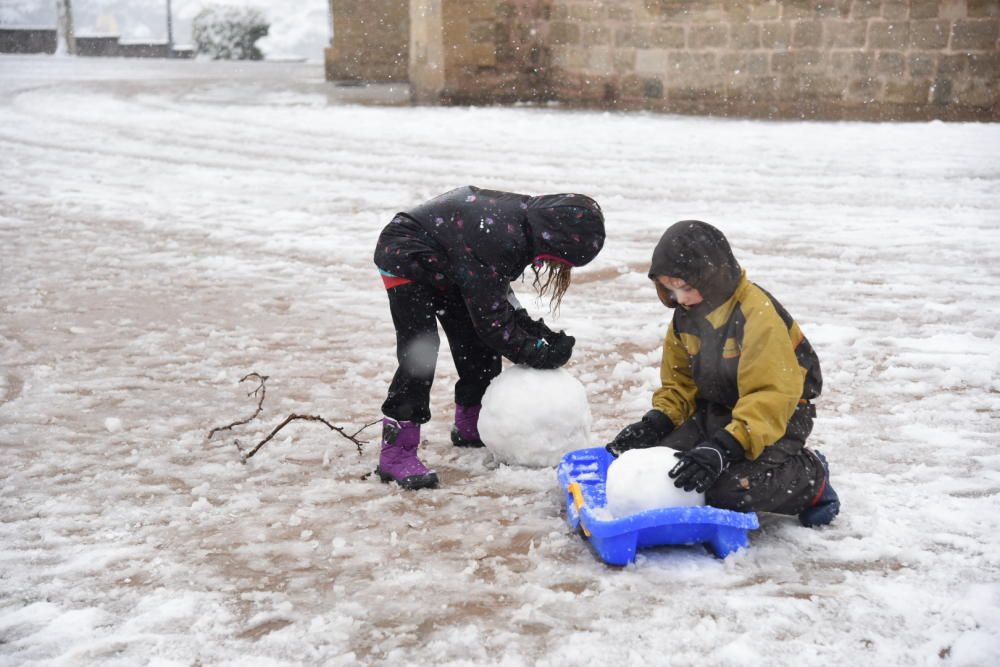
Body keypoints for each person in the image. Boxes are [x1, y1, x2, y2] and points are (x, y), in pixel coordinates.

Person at [606, 220, 840, 527]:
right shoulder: (685, 318)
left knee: (727, 490)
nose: (680, 298)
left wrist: (723, 448)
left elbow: (770, 395)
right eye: (670, 289)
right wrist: (656, 423)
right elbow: (680, 383)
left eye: (686, 287)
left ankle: (809, 476)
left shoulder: (757, 315)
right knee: (665, 466)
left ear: (712, 277)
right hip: (720, 411)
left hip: (780, 416)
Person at [374, 185, 606, 489]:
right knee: (421, 351)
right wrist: (538, 353)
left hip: (453, 262)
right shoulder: (501, 237)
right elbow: (493, 323)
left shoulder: (526, 228)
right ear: (557, 241)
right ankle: (396, 452)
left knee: (476, 346)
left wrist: (540, 334)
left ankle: (471, 424)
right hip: (407, 253)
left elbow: (497, 300)